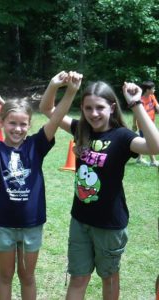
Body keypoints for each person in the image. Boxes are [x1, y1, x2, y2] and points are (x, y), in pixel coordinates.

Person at [0, 67, 82, 299]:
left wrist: (69, 92)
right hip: (2, 224)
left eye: (23, 124)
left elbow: (55, 118)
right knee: (5, 276)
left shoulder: (36, 145)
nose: (18, 129)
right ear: (1, 122)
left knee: (27, 277)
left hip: (30, 224)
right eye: (12, 123)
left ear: (29, 125)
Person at [39, 79, 159, 299]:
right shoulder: (80, 129)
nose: (94, 113)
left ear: (112, 107)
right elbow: (47, 109)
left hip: (110, 224)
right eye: (88, 108)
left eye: (100, 107)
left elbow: (156, 146)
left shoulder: (122, 136)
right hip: (80, 221)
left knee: (110, 278)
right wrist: (55, 85)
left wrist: (136, 104)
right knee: (78, 278)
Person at [132, 80, 159, 167]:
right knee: (150, 140)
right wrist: (134, 124)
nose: (154, 89)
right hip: (143, 124)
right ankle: (153, 161)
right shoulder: (141, 100)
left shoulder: (151, 96)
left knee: (143, 139)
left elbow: (157, 106)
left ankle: (139, 159)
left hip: (151, 123)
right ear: (147, 90)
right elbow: (136, 114)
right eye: (153, 88)